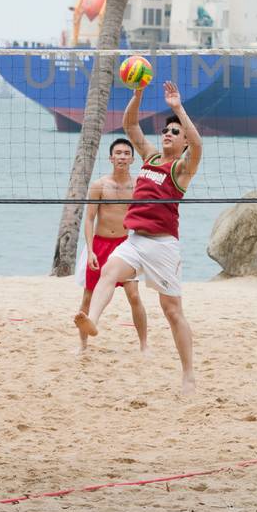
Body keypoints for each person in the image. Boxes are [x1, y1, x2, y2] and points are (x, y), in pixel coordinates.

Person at [76, 80, 202, 394]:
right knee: (107, 271)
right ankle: (91, 320)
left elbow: (198, 145)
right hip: (134, 240)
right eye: (167, 131)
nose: (169, 134)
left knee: (173, 312)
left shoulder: (182, 168)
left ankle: (188, 373)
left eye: (176, 132)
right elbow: (129, 124)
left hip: (163, 246)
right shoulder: (150, 157)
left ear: (183, 141)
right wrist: (138, 95)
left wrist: (177, 108)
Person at [79, 137, 148, 353]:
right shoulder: (99, 185)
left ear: (132, 159)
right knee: (89, 296)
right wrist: (90, 251)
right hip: (100, 245)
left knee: (134, 296)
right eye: (118, 153)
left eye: (126, 153)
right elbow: (89, 219)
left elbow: (146, 216)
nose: (122, 157)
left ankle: (144, 345)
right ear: (111, 158)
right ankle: (82, 345)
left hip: (125, 246)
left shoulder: (138, 185)